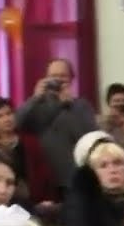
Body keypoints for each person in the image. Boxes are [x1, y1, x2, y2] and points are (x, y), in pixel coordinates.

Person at [15, 58, 99, 196]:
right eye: (53, 76)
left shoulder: (81, 106)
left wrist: (68, 104)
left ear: (72, 79)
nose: (58, 80)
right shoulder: (36, 105)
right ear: (46, 78)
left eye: (62, 76)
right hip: (41, 179)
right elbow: (16, 124)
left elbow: (88, 138)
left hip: (73, 179)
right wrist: (35, 98)